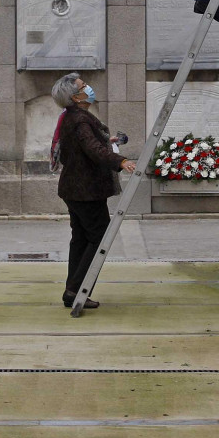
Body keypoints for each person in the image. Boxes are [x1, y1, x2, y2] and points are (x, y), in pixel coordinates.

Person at [50, 73, 136, 310]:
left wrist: (109, 141)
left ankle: (72, 291)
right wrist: (120, 161)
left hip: (74, 188)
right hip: (85, 190)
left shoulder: (72, 117)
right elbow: (93, 150)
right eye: (83, 86)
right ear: (76, 97)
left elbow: (87, 146)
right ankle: (79, 289)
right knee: (98, 238)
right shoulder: (80, 120)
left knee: (80, 239)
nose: (89, 88)